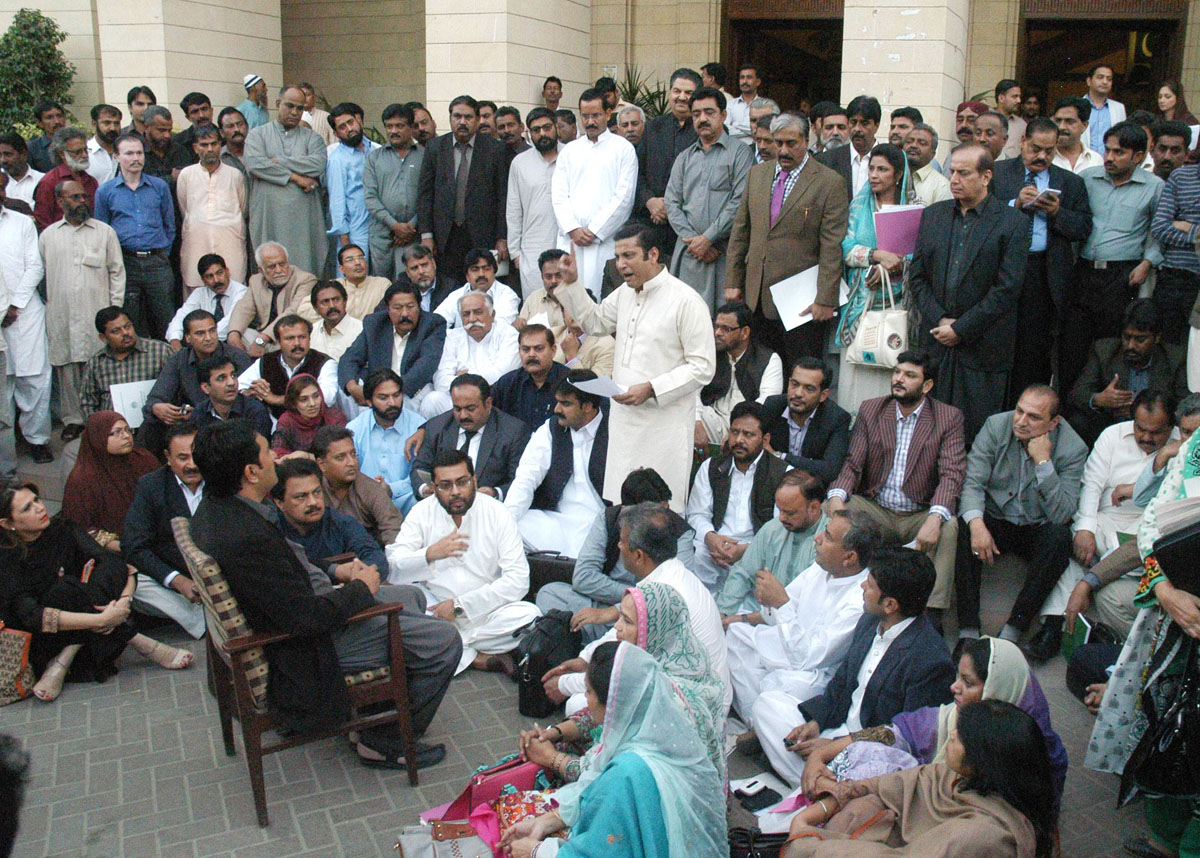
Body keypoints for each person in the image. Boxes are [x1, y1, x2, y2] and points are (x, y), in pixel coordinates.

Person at [190, 419, 457, 768]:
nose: (276, 457)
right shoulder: (246, 537)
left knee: (414, 599)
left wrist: (335, 571)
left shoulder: (216, 510)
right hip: (306, 650)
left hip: (308, 612)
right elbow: (306, 618)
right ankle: (382, 740)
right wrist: (361, 589)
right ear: (252, 472)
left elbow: (282, 566)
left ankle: (377, 710)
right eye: (268, 453)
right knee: (444, 640)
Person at [500, 643, 726, 858]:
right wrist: (548, 820)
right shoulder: (661, 726)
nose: (586, 702)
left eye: (588, 692)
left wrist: (536, 851)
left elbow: (602, 850)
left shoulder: (627, 772)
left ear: (613, 703)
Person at [754, 548, 955, 788]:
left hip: (873, 756)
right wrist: (816, 723)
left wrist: (835, 746)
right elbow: (842, 683)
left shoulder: (930, 659)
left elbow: (904, 739)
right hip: (837, 732)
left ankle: (820, 789)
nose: (862, 588)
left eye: (869, 586)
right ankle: (819, 786)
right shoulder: (870, 621)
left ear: (890, 604)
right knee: (767, 705)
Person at [549, 220, 714, 511]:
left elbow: (702, 367)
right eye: (618, 257)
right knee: (623, 506)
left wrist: (652, 389)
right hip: (625, 421)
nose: (621, 265)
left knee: (659, 512)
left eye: (629, 256)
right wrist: (573, 284)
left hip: (664, 423)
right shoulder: (626, 293)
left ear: (652, 255)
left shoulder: (686, 301)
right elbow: (596, 322)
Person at [797, 636, 1068, 810]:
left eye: (968, 683)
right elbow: (896, 732)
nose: (954, 688)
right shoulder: (953, 716)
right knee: (865, 753)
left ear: (998, 688)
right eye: (958, 678)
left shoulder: (1032, 752)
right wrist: (822, 752)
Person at [785, 700, 1058, 858]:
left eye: (961, 736)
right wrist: (820, 809)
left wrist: (807, 836)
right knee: (861, 805)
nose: (951, 735)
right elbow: (888, 784)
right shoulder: (958, 778)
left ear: (982, 761)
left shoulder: (980, 837)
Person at [0, 483, 193, 704]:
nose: (39, 508)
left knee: (107, 567)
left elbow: (116, 563)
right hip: (45, 638)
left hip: (89, 622)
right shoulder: (7, 559)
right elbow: (31, 616)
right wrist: (102, 618)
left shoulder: (62, 528)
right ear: (8, 524)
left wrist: (123, 603)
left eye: (36, 499)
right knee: (64, 589)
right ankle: (139, 641)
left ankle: (65, 657)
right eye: (27, 508)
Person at [519, 582, 726, 784]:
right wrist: (555, 733)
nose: (617, 627)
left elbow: (604, 778)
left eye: (627, 621)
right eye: (620, 618)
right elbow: (609, 711)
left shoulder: (663, 698)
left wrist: (551, 758)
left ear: (653, 631)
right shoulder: (677, 659)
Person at [542, 501, 729, 712]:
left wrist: (563, 685)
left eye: (622, 542)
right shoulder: (669, 573)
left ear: (639, 555)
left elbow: (624, 671)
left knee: (578, 704)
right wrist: (585, 659)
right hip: (695, 694)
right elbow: (620, 629)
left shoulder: (661, 594)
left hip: (694, 707)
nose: (619, 547)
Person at [827, 352, 966, 629]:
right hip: (877, 508)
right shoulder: (872, 409)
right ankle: (830, 590)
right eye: (897, 372)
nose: (899, 380)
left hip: (918, 512)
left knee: (949, 526)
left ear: (927, 386)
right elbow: (853, 464)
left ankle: (931, 615)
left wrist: (934, 518)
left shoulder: (948, 418)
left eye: (910, 375)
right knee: (833, 510)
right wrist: (836, 497)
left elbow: (952, 474)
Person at [909, 142, 1029, 443]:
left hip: (982, 346)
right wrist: (941, 320)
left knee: (973, 434)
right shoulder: (934, 215)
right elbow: (918, 276)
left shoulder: (1012, 222)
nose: (954, 180)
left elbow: (1007, 287)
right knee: (927, 430)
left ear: (986, 176)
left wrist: (962, 328)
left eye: (964, 173)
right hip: (936, 341)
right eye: (952, 172)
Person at [956, 385, 1087, 660]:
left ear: (1053, 423)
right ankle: (967, 630)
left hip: (1035, 526)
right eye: (1019, 411)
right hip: (996, 519)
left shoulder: (1073, 448)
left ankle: (1014, 629)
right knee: (964, 526)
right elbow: (972, 483)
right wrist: (977, 525)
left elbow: (1062, 514)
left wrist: (1043, 464)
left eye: (1034, 417)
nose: (1021, 421)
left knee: (1059, 538)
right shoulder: (996, 426)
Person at [386, 449, 540, 675]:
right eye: (445, 486)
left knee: (531, 617)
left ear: (474, 480)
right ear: (434, 488)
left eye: (462, 482)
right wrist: (429, 553)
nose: (456, 492)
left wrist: (460, 606)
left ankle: (453, 647)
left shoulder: (498, 513)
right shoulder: (421, 512)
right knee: (400, 614)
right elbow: (392, 567)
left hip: (486, 610)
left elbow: (518, 580)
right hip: (434, 609)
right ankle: (477, 657)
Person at [1044, 390, 1176, 644]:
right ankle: (1055, 623)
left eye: (1155, 432)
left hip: (1148, 530)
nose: (1146, 437)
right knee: (1077, 545)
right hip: (1107, 521)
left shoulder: (1183, 445)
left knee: (1135, 556)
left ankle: (1066, 618)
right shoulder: (1112, 436)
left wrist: (1136, 487)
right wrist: (1085, 529)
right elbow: (1091, 484)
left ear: (1170, 427)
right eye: (1140, 429)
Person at [725, 509, 881, 724]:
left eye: (827, 537)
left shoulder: (858, 600)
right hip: (787, 648)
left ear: (849, 557)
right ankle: (757, 724)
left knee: (778, 687)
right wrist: (763, 604)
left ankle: (762, 723)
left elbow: (808, 658)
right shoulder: (820, 569)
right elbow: (779, 611)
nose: (816, 538)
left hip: (813, 674)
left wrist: (779, 603)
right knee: (735, 635)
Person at [727, 113, 849, 366]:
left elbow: (831, 246)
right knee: (760, 370)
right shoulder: (757, 175)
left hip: (801, 302)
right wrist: (733, 281)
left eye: (790, 143)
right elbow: (741, 231)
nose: (782, 150)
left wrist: (825, 299)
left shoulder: (829, 183)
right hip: (757, 296)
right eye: (777, 142)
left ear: (807, 140)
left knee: (800, 370)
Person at [992, 117, 1092, 400]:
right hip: (1001, 269)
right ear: (1023, 141)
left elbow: (1083, 227)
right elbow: (982, 217)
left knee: (1033, 350)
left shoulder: (1070, 182)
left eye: (1049, 151)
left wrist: (1057, 213)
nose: (1042, 156)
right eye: (1036, 148)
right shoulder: (998, 174)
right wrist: (1015, 205)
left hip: (1042, 273)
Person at [1059, 122, 1163, 395]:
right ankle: (1071, 407)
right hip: (1083, 272)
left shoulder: (1154, 187)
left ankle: (1107, 409)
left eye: (1119, 152)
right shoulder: (1088, 178)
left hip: (1122, 276)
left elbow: (1158, 232)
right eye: (1107, 150)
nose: (1109, 158)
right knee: (1072, 347)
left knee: (1111, 348)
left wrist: (1147, 263)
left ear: (1138, 156)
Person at [533, 469, 694, 641]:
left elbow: (671, 596)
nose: (665, 518)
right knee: (549, 594)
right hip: (603, 602)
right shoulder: (609, 519)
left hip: (647, 611)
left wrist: (622, 607)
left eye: (666, 510)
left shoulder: (679, 533)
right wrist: (619, 602)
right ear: (628, 510)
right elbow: (583, 577)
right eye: (655, 513)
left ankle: (588, 639)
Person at [834, 142, 921, 410]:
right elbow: (846, 248)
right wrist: (875, 256)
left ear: (898, 175)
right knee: (855, 380)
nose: (874, 175)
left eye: (882, 169)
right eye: (871, 168)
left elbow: (922, 254)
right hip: (861, 306)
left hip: (898, 307)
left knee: (890, 364)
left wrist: (897, 264)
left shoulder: (916, 209)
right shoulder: (858, 207)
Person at [40, 179, 126, 442]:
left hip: (97, 313)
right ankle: (73, 420)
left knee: (101, 364)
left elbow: (117, 272)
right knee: (67, 368)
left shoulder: (104, 232)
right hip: (62, 314)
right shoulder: (48, 236)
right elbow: (42, 276)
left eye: (84, 196)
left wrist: (115, 312)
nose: (82, 201)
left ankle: (104, 418)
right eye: (75, 197)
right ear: (60, 202)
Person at [664, 87, 754, 312]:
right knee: (684, 317)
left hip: (723, 253)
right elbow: (672, 202)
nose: (702, 119)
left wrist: (709, 238)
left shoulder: (741, 153)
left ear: (723, 115)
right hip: (688, 254)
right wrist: (695, 241)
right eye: (696, 114)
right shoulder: (684, 158)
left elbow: (740, 201)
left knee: (721, 325)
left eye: (709, 112)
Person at [686, 401, 788, 593]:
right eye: (734, 432)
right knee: (696, 555)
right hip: (714, 550)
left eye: (748, 434)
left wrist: (747, 550)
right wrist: (711, 539)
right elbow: (697, 515)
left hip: (758, 551)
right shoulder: (711, 467)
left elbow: (781, 529)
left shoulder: (782, 474)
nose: (739, 440)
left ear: (765, 439)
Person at [503, 369, 607, 556]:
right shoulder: (551, 429)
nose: (556, 409)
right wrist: (505, 523)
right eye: (557, 401)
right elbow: (526, 478)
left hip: (600, 524)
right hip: (554, 521)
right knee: (510, 524)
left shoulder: (615, 429)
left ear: (588, 405)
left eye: (565, 403)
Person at [121, 423, 208, 639]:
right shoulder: (151, 487)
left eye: (196, 456)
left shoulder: (221, 480)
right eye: (182, 458)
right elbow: (134, 546)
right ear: (168, 458)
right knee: (131, 582)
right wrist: (178, 581)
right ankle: (201, 620)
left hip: (219, 572)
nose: (192, 465)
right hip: (176, 580)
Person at [552, 89, 638, 298]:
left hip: (604, 240)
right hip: (571, 240)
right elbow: (559, 195)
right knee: (568, 299)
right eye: (585, 116)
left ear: (608, 114)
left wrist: (595, 231)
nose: (590, 121)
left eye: (596, 115)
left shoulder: (623, 149)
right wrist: (573, 229)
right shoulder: (569, 151)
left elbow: (624, 198)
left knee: (603, 299)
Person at [1066, 299, 1189, 446]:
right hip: (1111, 425)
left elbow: (1185, 405)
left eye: (1140, 339)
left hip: (1154, 431)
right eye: (1127, 337)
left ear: (1156, 338)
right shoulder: (1105, 351)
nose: (1131, 345)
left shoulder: (1174, 359)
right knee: (1078, 420)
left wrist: (1144, 413)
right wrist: (1099, 399)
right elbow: (1077, 393)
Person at [92, 133, 176, 339]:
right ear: (117, 157)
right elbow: (102, 231)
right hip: (125, 262)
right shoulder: (105, 192)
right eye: (129, 153)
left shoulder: (159, 187)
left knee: (166, 318)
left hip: (157, 261)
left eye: (139, 152)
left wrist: (163, 252)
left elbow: (170, 224)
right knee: (130, 319)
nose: (136, 158)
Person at [417, 95, 509, 282]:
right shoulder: (435, 148)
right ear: (450, 118)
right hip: (445, 235)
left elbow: (503, 197)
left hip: (482, 234)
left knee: (481, 285)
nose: (462, 122)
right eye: (457, 116)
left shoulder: (495, 149)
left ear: (477, 119)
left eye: (468, 117)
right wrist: (426, 235)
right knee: (448, 285)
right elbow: (425, 194)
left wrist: (502, 237)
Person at [717, 469, 827, 619]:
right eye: (780, 510)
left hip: (795, 622)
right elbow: (743, 573)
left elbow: (806, 607)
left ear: (813, 507)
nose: (781, 518)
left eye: (790, 513)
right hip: (754, 612)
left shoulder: (828, 542)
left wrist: (743, 620)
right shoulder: (773, 528)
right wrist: (723, 613)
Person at [243, 85, 327, 277]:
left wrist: (278, 160)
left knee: (305, 272)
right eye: (289, 106)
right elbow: (255, 164)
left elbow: (317, 164)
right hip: (269, 216)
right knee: (271, 268)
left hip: (304, 222)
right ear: (278, 104)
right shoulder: (257, 135)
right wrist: (295, 177)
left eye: (300, 108)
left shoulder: (313, 138)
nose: (295, 112)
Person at [141, 310, 253, 451]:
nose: (208, 338)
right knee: (150, 424)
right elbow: (157, 396)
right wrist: (157, 407)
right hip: (190, 424)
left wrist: (199, 413)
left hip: (227, 421)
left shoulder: (237, 357)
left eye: (212, 331)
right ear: (187, 338)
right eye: (200, 333)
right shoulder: (180, 359)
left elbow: (247, 400)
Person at [410, 373, 531, 502]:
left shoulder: (513, 432)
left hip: (491, 510)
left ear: (488, 403)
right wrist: (425, 489)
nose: (463, 416)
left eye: (470, 408)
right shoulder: (436, 426)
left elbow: (521, 481)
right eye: (457, 409)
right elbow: (419, 468)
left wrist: (496, 493)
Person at [338, 280, 447, 414]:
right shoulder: (375, 324)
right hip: (379, 389)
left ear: (419, 306)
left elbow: (426, 364)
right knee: (344, 391)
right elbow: (349, 358)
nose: (405, 314)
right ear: (388, 309)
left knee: (409, 401)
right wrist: (352, 386)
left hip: (415, 389)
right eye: (397, 308)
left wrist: (391, 392)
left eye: (410, 306)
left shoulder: (432, 324)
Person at [61, 411, 160, 553]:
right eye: (116, 432)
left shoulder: (144, 460)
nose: (126, 436)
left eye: (127, 430)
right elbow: (80, 528)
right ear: (98, 437)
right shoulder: (82, 479)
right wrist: (125, 547)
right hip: (113, 550)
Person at [0, 177, 49, 462]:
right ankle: (6, 450)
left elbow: (35, 266)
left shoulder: (21, 223)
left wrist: (14, 304)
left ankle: (37, 439)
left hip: (25, 310)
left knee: (34, 378)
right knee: (2, 385)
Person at [271, 458, 386, 571]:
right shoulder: (269, 528)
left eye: (317, 492)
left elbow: (376, 559)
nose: (313, 502)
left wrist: (358, 576)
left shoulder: (341, 523)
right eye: (301, 497)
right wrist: (335, 572)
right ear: (280, 503)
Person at [695, 301, 783, 448]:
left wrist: (736, 431)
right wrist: (697, 421)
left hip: (746, 427)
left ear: (745, 332)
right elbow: (693, 390)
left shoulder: (769, 359)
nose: (717, 333)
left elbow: (767, 403)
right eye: (716, 327)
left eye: (726, 329)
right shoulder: (710, 352)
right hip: (712, 420)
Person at [176, 124, 248, 293]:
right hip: (196, 244)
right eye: (204, 144)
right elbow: (184, 208)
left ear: (220, 145)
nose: (210, 149)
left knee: (235, 290)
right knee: (196, 291)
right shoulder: (186, 175)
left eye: (214, 144)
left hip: (230, 241)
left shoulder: (235, 175)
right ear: (195, 148)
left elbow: (243, 209)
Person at [424, 290, 519, 417]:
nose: (472, 319)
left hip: (495, 401)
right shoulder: (452, 337)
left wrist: (463, 376)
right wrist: (480, 377)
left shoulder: (509, 335)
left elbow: (502, 375)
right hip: (459, 402)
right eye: (466, 314)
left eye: (478, 312)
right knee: (432, 400)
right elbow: (441, 382)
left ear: (492, 314)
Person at [344, 368, 425, 514]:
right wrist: (372, 489)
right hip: (365, 502)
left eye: (396, 395)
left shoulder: (419, 426)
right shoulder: (354, 429)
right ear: (369, 402)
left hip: (407, 501)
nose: (392, 403)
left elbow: (421, 474)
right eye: (383, 398)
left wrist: (390, 489)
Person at [761, 358, 851, 485]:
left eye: (809, 389)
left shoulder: (837, 418)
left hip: (811, 490)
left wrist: (779, 456)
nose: (798, 393)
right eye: (794, 384)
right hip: (774, 482)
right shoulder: (772, 406)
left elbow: (829, 470)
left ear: (823, 395)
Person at [312, 425, 403, 547]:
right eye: (340, 457)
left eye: (353, 454)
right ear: (321, 464)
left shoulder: (372, 490)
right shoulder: (313, 490)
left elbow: (392, 530)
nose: (351, 462)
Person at [636, 68, 700, 237]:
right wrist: (650, 201)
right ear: (670, 93)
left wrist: (672, 208)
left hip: (691, 225)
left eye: (689, 92)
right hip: (652, 219)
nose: (682, 97)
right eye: (677, 91)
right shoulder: (653, 127)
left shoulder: (706, 130)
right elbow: (638, 172)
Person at [363, 103, 423, 281]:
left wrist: (410, 227)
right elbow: (370, 197)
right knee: (383, 285)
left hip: (414, 235)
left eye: (399, 126)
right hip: (382, 235)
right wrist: (394, 226)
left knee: (413, 283)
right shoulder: (374, 158)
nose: (393, 131)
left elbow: (430, 196)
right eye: (389, 126)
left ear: (411, 127)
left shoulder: (425, 156)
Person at [508, 107, 563, 300]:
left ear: (556, 127)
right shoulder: (519, 163)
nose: (542, 134)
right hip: (532, 248)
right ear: (529, 133)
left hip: (568, 241)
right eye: (536, 130)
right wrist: (515, 252)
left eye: (547, 127)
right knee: (537, 306)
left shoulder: (572, 156)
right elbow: (514, 210)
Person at [226, 242, 317, 356]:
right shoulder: (256, 280)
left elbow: (293, 311)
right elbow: (244, 308)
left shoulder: (305, 279)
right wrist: (234, 333)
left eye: (282, 264)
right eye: (271, 266)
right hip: (262, 336)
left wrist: (263, 338)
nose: (278, 270)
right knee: (242, 334)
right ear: (261, 270)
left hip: (289, 335)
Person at [79, 306, 172, 419]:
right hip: (114, 432)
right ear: (103, 337)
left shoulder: (160, 351)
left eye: (127, 326)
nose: (125, 333)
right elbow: (88, 403)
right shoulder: (96, 364)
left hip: (155, 426)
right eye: (116, 331)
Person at [1149, 141, 1200, 345]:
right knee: (1169, 349)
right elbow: (1160, 227)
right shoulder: (1181, 177)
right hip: (1176, 279)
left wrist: (1188, 226)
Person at [238, 314, 336, 417]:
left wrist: (275, 399)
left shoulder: (324, 362)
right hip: (275, 426)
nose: (297, 343)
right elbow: (239, 387)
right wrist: (253, 393)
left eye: (302, 337)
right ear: (278, 341)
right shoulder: (266, 361)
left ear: (309, 338)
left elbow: (327, 398)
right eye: (290, 338)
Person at [325, 102, 379, 267]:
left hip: (379, 228)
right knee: (354, 278)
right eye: (342, 127)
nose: (349, 129)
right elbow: (337, 201)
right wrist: (345, 240)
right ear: (336, 133)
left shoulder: (376, 150)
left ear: (359, 121)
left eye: (351, 122)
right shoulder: (337, 160)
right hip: (355, 232)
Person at [492, 324, 569, 431]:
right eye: (526, 349)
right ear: (519, 351)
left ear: (553, 350)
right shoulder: (507, 383)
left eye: (539, 349)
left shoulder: (568, 381)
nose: (531, 354)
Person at [165, 254, 248, 348]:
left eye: (219, 273)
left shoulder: (241, 292)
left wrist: (203, 338)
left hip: (230, 341)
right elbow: (181, 317)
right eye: (209, 276)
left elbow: (230, 322)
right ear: (203, 280)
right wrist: (175, 340)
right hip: (205, 344)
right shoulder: (199, 293)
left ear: (227, 272)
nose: (216, 280)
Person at [433, 248, 520, 330]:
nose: (481, 274)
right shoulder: (456, 295)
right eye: (475, 270)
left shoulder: (507, 295)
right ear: (467, 276)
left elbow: (499, 328)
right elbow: (436, 324)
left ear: (494, 272)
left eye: (486, 269)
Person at [188, 354, 272, 438]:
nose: (231, 382)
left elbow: (260, 448)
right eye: (221, 378)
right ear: (206, 388)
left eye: (233, 375)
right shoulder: (199, 413)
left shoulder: (254, 411)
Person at [817, 95, 883, 200]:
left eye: (864, 123)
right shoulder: (827, 160)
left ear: (876, 125)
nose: (857, 129)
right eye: (853, 122)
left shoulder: (890, 160)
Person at [33, 127, 99, 231]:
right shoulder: (49, 182)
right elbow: (43, 222)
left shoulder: (91, 181)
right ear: (62, 154)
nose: (85, 155)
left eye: (86, 150)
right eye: (77, 152)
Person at [270, 373, 347, 456]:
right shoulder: (287, 421)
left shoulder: (334, 416)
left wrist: (308, 457)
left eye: (316, 396)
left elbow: (342, 451)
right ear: (293, 403)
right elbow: (277, 452)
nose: (312, 403)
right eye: (304, 399)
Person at [306, 280, 362, 362]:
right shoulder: (310, 332)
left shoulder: (361, 330)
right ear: (315, 308)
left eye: (336, 299)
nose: (332, 306)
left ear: (345, 301)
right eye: (325, 302)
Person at [1051, 96, 1104, 174]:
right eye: (1058, 121)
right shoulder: (1047, 158)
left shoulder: (1095, 160)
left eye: (1069, 121)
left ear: (1084, 126)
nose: (1061, 127)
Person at [905, 123, 952, 204]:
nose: (914, 145)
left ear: (932, 154)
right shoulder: (895, 176)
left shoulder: (942, 186)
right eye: (909, 141)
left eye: (922, 143)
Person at [1085, 64, 1126, 154]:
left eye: (1109, 79)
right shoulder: (1076, 106)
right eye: (1100, 77)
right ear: (1089, 81)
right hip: (1082, 162)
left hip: (1111, 162)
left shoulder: (1119, 108)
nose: (1105, 82)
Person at [0, 132, 45, 208]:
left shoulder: (43, 181)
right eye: (0, 155)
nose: (3, 160)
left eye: (8, 155)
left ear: (23, 154)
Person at [725, 63, 762, 144]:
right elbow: (725, 130)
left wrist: (736, 124)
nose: (744, 81)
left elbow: (762, 131)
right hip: (733, 151)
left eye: (749, 77)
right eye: (742, 78)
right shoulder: (730, 105)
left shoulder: (765, 106)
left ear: (758, 82)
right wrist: (751, 132)